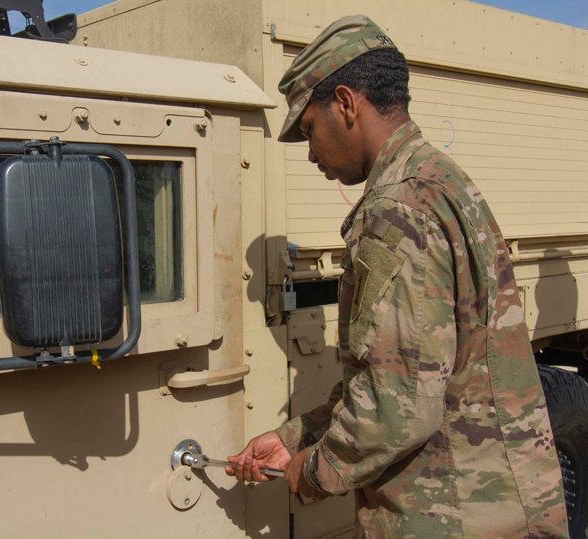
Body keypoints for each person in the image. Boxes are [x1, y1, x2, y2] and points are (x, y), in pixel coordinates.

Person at [227, 15, 569, 538]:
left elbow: (398, 403)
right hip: (492, 504)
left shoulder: (396, 210)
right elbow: (410, 371)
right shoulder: (438, 178)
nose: (311, 152)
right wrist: (298, 435)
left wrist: (315, 470)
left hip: (450, 514)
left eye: (309, 129)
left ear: (345, 103)